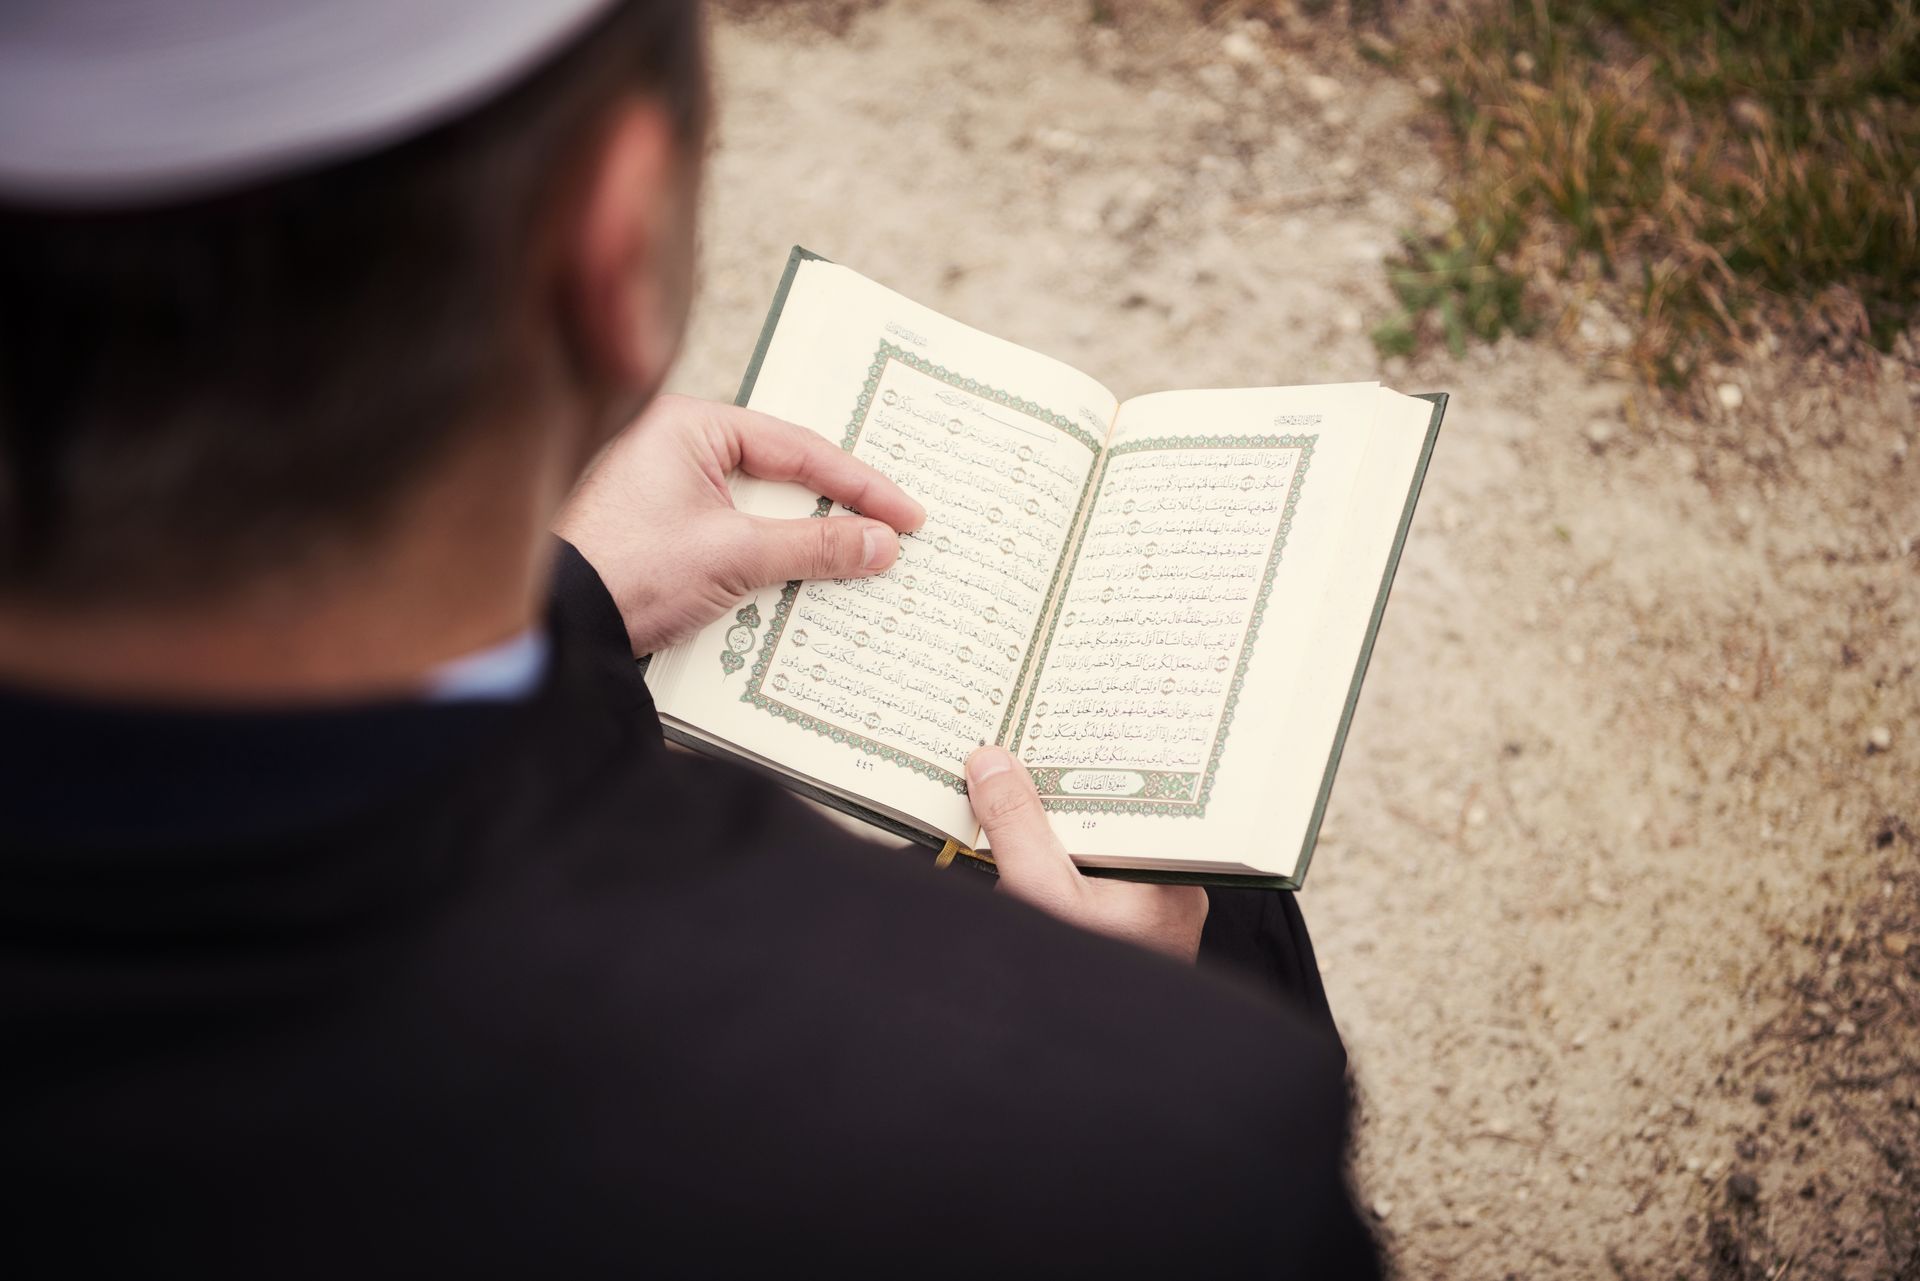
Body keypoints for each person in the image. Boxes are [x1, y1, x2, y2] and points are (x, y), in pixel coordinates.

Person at [0, 1, 1378, 1275]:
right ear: (618, 252)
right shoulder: (1154, 1143)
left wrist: (580, 597)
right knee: (1210, 896)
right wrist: (1108, 1045)